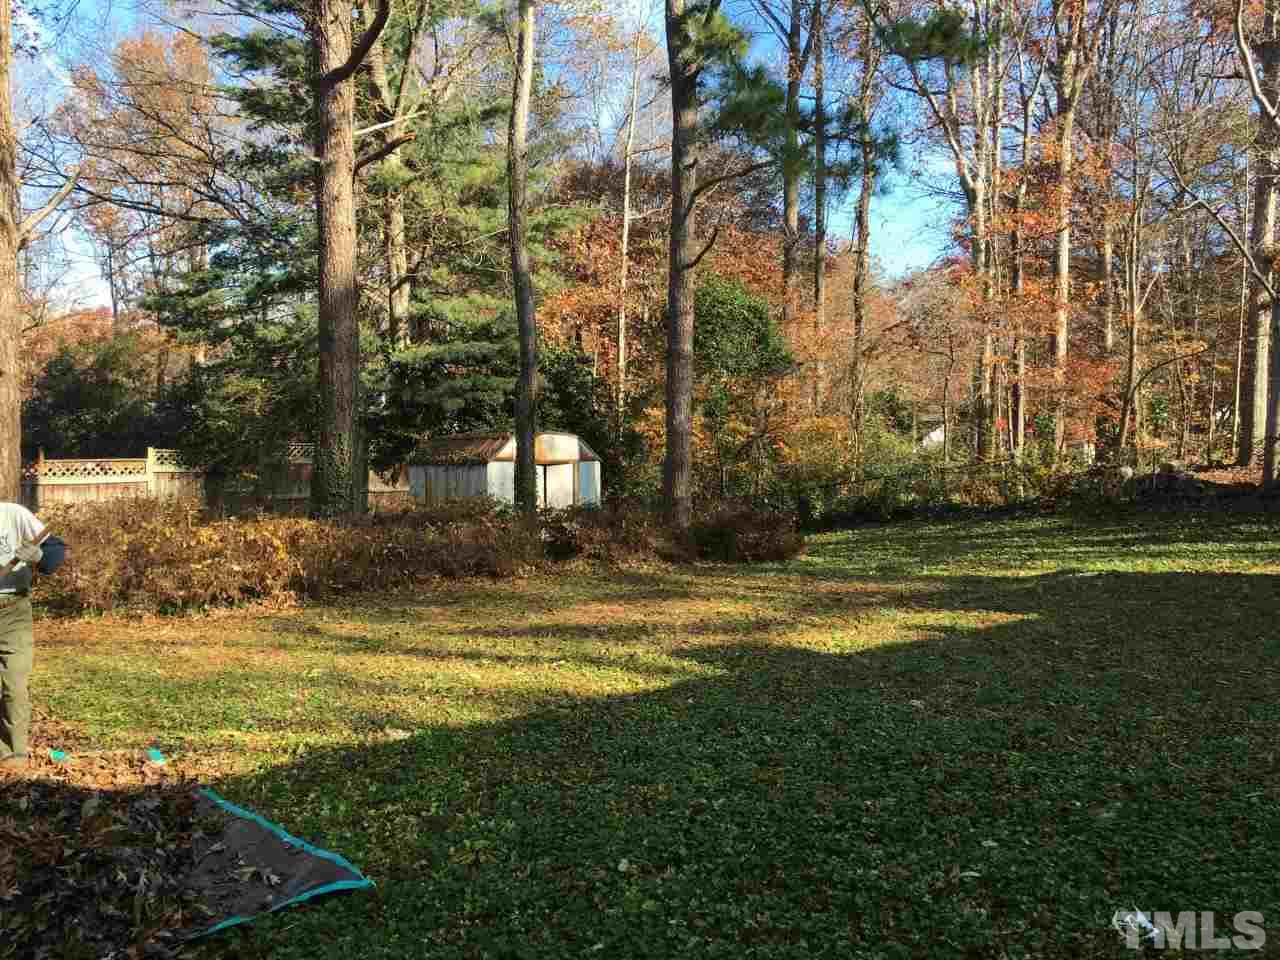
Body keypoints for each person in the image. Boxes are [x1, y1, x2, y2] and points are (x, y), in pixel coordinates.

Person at [0, 502, 66, 770]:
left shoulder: (13, 514)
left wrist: (39, 556)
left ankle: (14, 754)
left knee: (14, 684)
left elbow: (55, 552)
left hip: (13, 610)